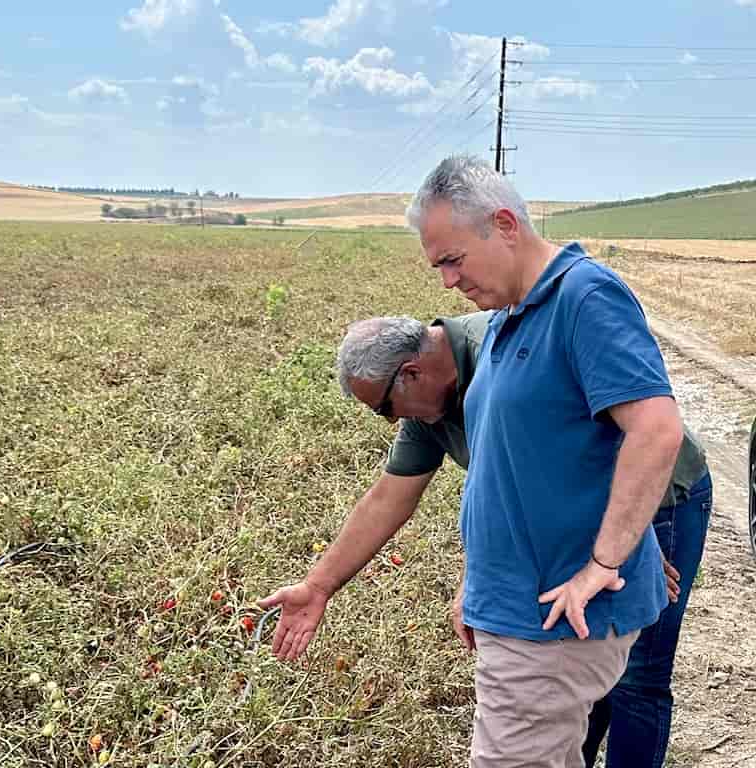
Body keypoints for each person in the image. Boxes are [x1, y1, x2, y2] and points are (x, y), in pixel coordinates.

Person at [260, 154, 704, 768]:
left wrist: (618, 555)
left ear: (503, 225)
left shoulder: (584, 297)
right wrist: (328, 585)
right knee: (566, 730)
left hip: (645, 518)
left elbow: (654, 433)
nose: (447, 281)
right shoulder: (506, 319)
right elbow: (492, 480)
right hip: (525, 603)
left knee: (636, 686)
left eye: (453, 259)